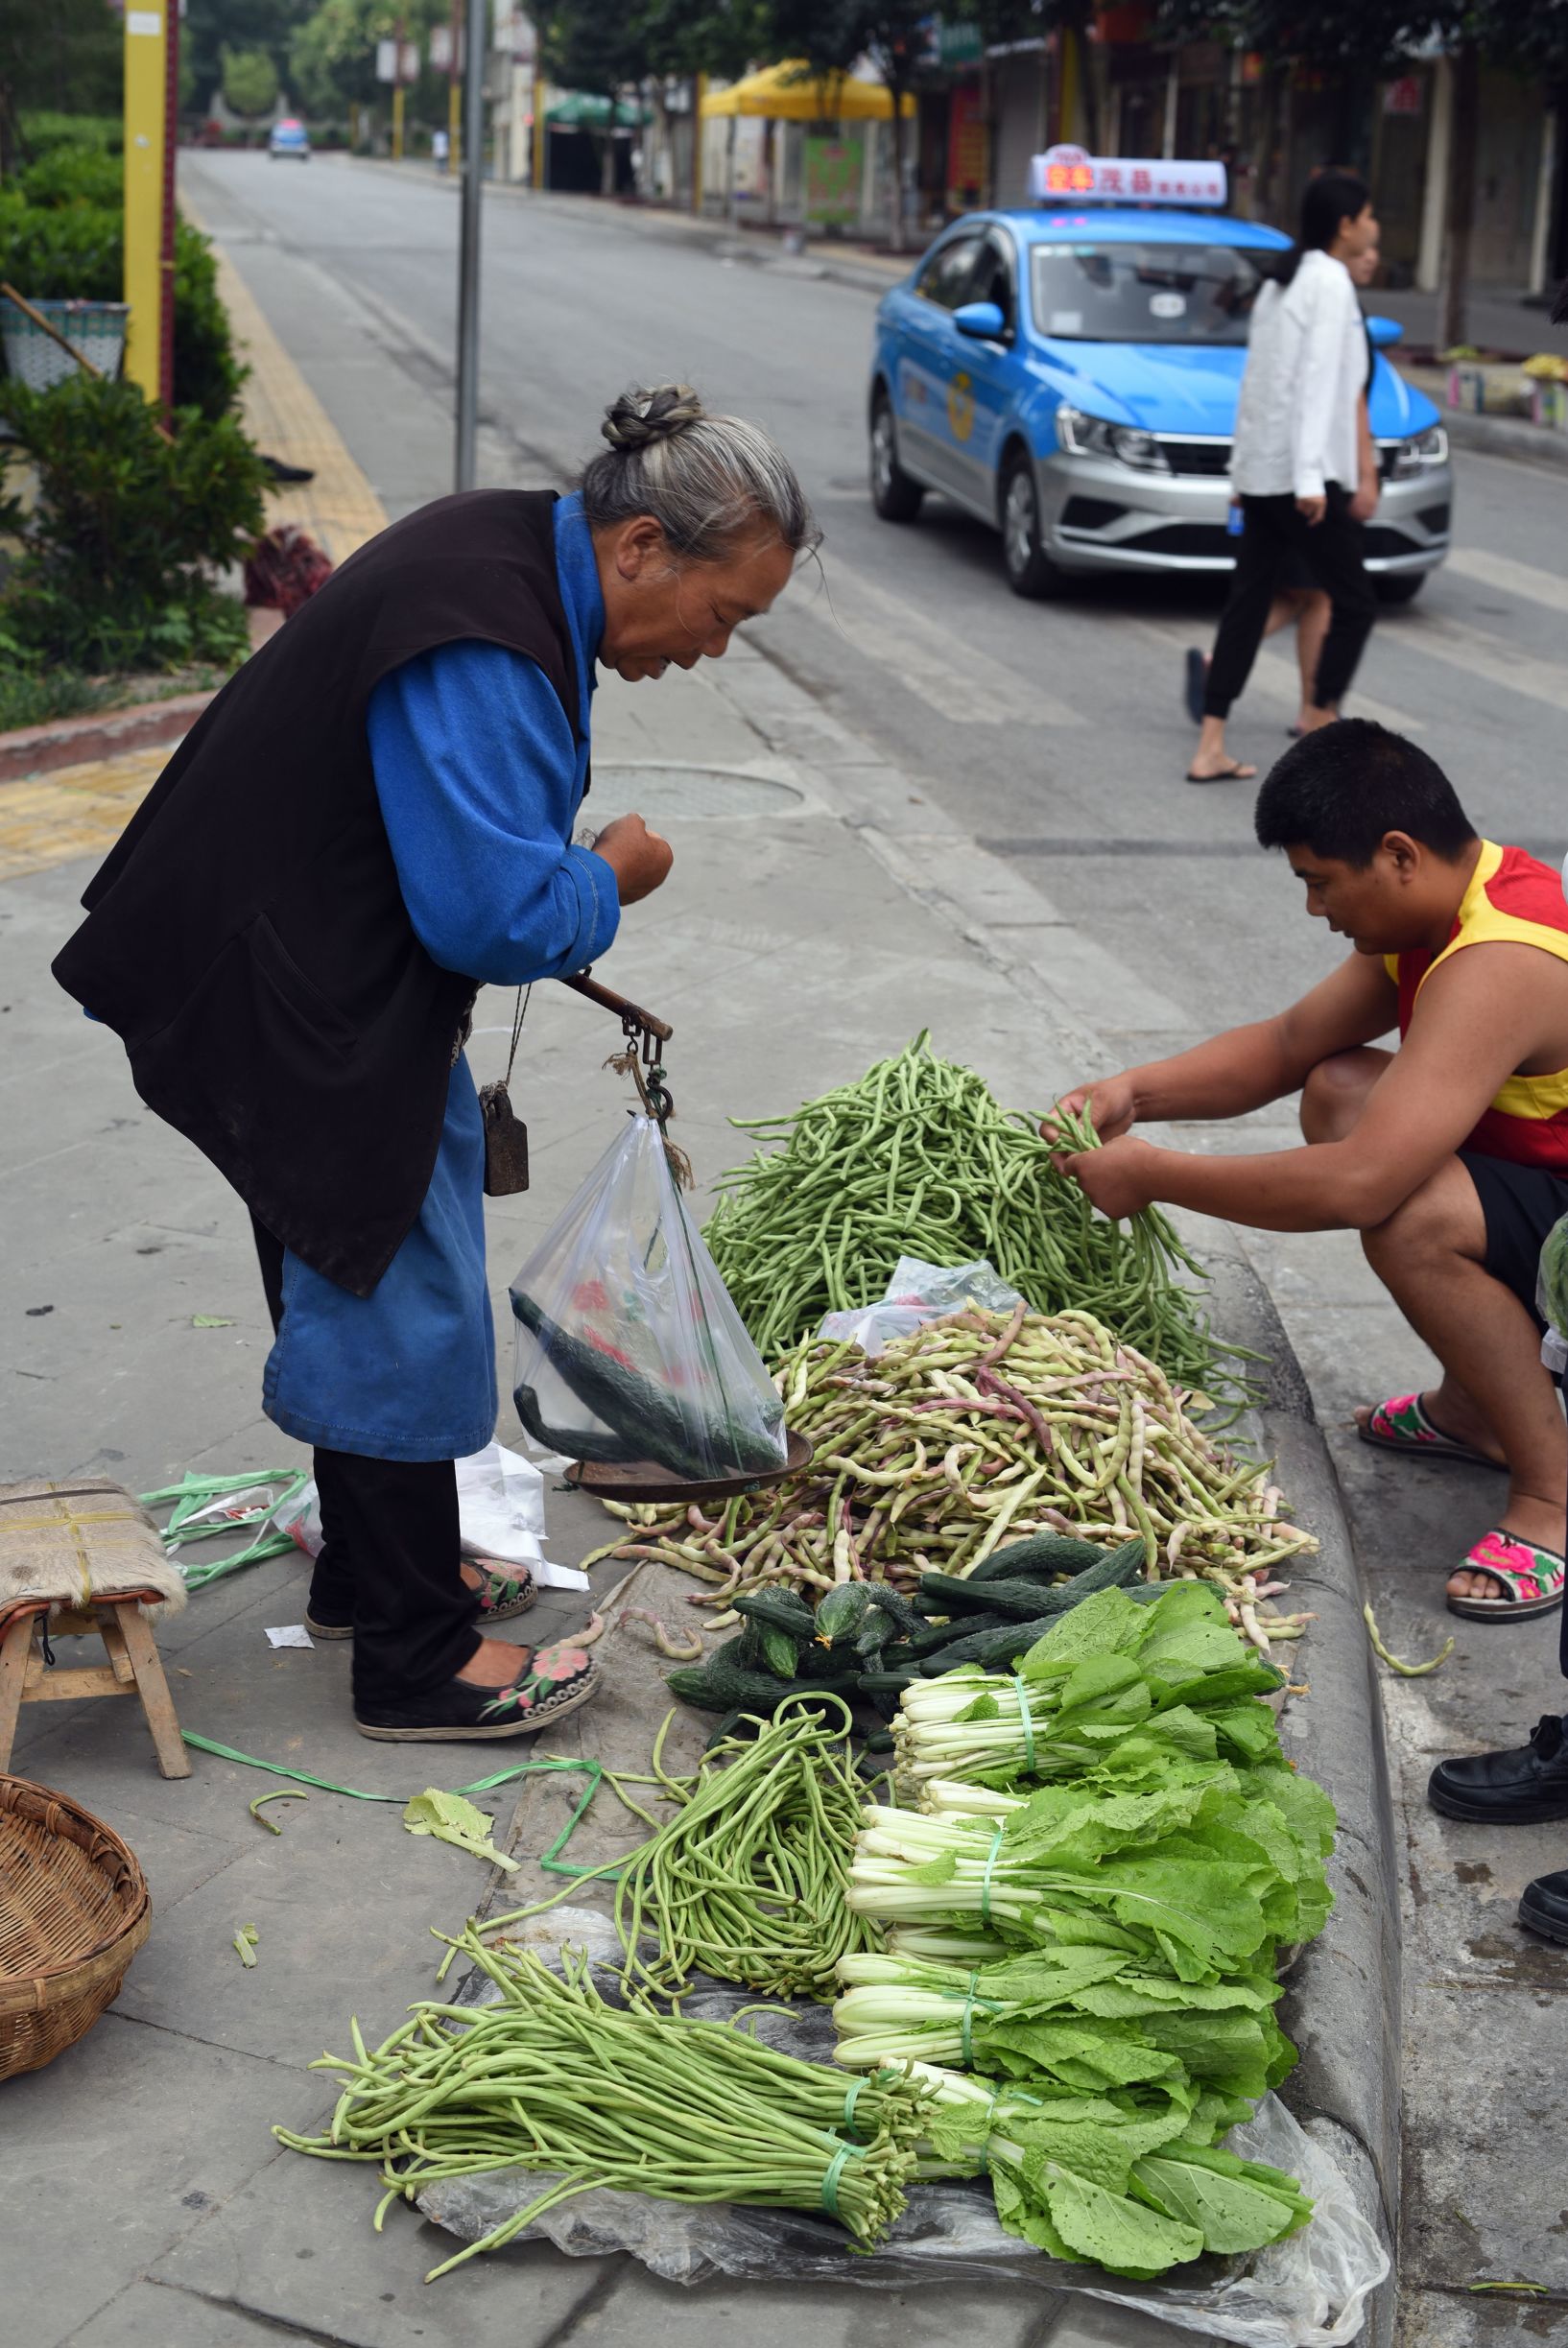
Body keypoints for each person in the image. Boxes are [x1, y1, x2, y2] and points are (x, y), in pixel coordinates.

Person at [54, 384, 817, 1743]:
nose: (712, 652)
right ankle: (412, 1655)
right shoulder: (484, 629)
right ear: (642, 547)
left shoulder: (514, 552)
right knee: (391, 1287)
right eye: (724, 615)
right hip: (284, 980)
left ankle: (372, 1569)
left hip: (288, 957)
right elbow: (490, 915)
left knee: (370, 1261)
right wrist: (607, 877)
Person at [1048, 720, 1568, 1618]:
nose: (1315, 909)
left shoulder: (1502, 956)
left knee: (1410, 1214)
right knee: (1341, 1087)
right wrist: (1136, 1090)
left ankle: (1551, 1495)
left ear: (1397, 854)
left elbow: (1359, 1184)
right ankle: (1475, 1407)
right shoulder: (1439, 909)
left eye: (1320, 882)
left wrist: (1153, 1172)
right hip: (1545, 1187)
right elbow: (1290, 1045)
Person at [1185, 171, 1381, 784]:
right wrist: (1309, 481)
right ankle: (1320, 721)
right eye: (1370, 216)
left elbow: (1259, 384)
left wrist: (1246, 471)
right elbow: (1317, 382)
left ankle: (1209, 745)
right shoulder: (1326, 280)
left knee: (1248, 605)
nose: (1376, 227)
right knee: (1355, 603)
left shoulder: (1281, 280)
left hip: (1267, 472)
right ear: (1346, 225)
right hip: (1306, 476)